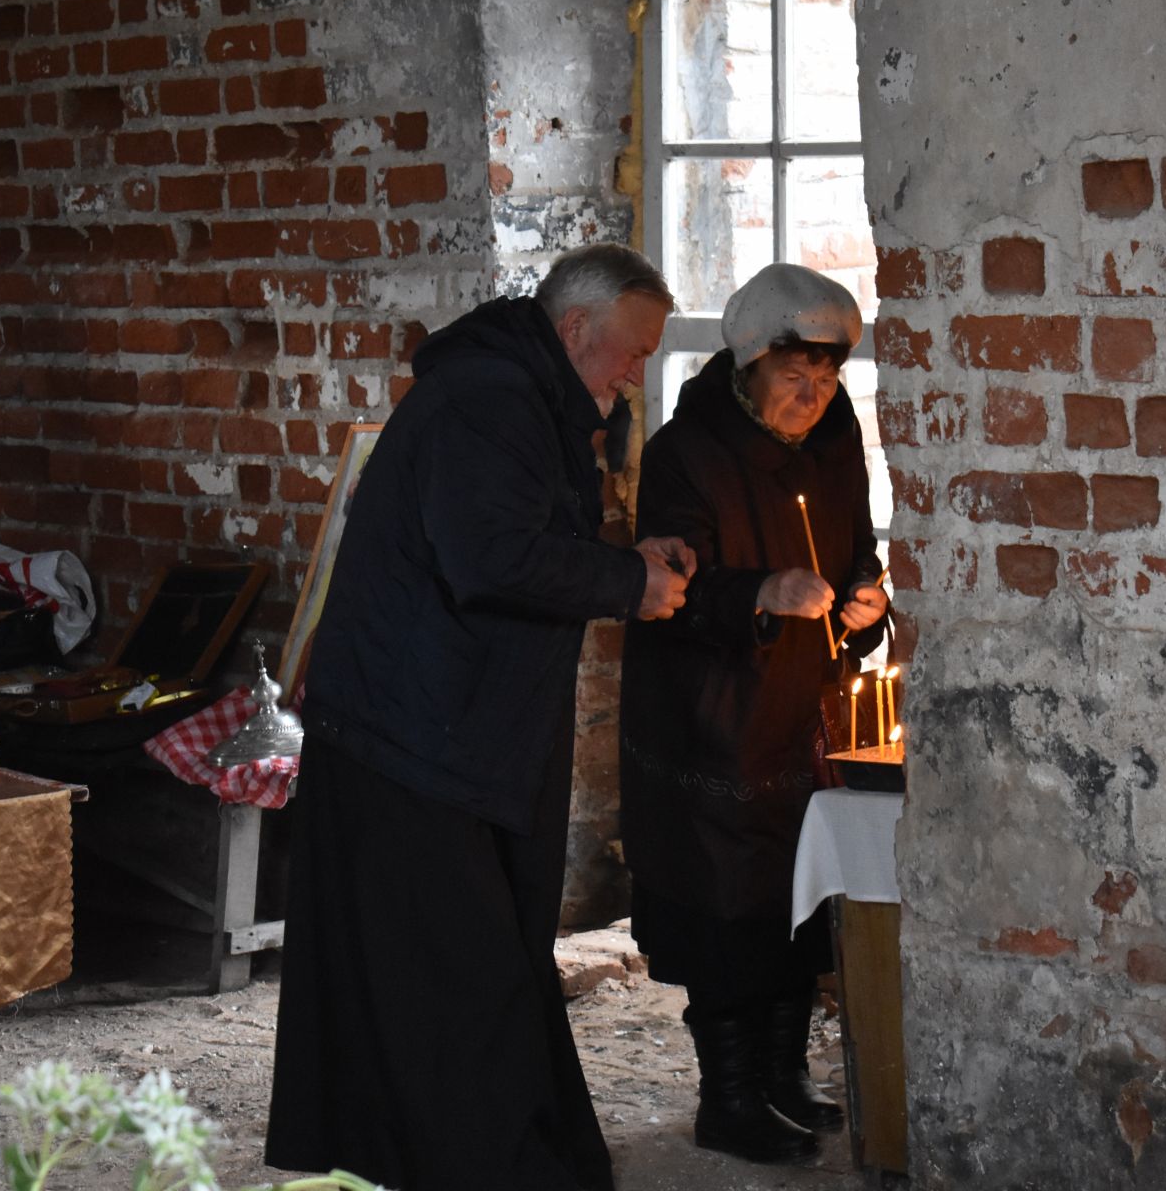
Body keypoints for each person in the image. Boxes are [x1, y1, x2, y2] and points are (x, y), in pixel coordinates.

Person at [265, 244, 695, 1191]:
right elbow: (489, 558)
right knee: (453, 973)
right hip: (412, 736)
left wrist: (629, 548)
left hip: (458, 728)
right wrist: (629, 583)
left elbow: (528, 529)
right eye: (632, 352)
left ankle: (500, 1153)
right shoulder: (486, 400)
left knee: (486, 959)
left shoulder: (531, 397)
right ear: (575, 328)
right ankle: (474, 1164)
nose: (637, 373)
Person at [619, 262, 890, 1164]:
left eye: (828, 377)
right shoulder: (684, 453)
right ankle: (727, 1098)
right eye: (794, 376)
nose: (814, 396)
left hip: (798, 711)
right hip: (711, 717)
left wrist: (865, 596)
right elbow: (670, 591)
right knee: (725, 910)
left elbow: (853, 547)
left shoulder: (837, 437)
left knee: (795, 904)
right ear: (746, 364)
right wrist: (761, 591)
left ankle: (784, 1077)